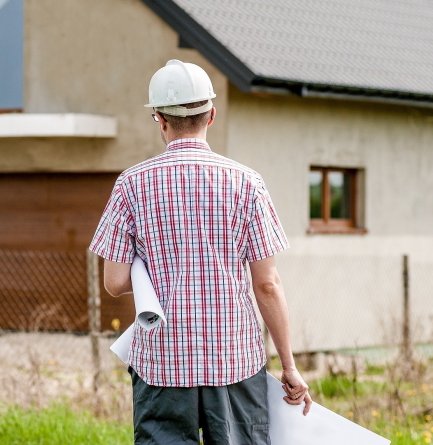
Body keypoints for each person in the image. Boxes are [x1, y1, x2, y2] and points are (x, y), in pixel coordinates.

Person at [89, 59, 310, 445]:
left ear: (159, 119)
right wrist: (289, 366)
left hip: (161, 366)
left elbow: (114, 282)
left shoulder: (130, 185)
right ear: (211, 114)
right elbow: (268, 285)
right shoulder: (247, 183)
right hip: (234, 362)